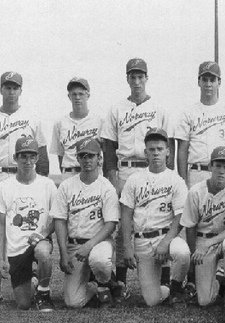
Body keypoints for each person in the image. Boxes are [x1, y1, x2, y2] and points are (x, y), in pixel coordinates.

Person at [0, 72, 49, 307]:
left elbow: (42, 153)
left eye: (15, 87)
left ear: (21, 90)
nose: (11, 91)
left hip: (23, 176)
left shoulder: (31, 118)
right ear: (1, 90)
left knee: (30, 226)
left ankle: (31, 273)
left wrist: (41, 182)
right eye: (7, 87)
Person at [100, 58, 172, 299]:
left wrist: (166, 177)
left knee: (158, 221)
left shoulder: (159, 109)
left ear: (147, 78)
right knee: (123, 226)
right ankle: (120, 282)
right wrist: (112, 178)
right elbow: (109, 146)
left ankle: (165, 280)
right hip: (126, 169)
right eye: (133, 76)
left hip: (152, 168)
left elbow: (166, 146)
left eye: (141, 76)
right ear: (128, 79)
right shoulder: (117, 108)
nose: (137, 81)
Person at [120, 128, 190, 307]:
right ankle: (164, 289)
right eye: (152, 149)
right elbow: (126, 215)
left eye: (160, 149)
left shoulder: (176, 179)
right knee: (152, 301)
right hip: (143, 240)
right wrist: (127, 247)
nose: (156, 153)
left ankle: (175, 288)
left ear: (168, 152)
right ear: (145, 153)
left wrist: (166, 242)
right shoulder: (135, 179)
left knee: (182, 253)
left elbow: (180, 216)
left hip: (167, 236)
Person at [51, 138, 120, 308]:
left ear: (99, 158)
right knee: (73, 302)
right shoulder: (66, 186)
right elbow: (59, 220)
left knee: (100, 261)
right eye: (82, 156)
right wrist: (63, 253)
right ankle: (96, 286)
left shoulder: (106, 187)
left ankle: (105, 284)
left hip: (99, 243)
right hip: (74, 246)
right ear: (77, 158)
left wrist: (89, 245)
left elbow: (110, 224)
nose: (87, 160)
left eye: (91, 156)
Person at [180, 146, 225, 307]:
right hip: (202, 240)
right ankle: (217, 280)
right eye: (218, 165)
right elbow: (190, 227)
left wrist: (209, 244)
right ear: (210, 166)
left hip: (223, 239)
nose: (221, 171)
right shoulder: (196, 191)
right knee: (204, 301)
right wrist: (193, 255)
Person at [0, 137, 56, 310]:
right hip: (16, 248)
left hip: (38, 241)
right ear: (15, 158)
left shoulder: (48, 185)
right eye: (23, 156)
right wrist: (0, 258)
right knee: (23, 304)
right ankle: (34, 278)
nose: (28, 161)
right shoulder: (4, 187)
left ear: (37, 158)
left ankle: (44, 293)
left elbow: (57, 218)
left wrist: (43, 235)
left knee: (43, 252)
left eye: (32, 156)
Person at [175, 61, 225, 188]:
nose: (208, 84)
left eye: (212, 80)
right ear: (199, 82)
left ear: (219, 82)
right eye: (205, 80)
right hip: (197, 173)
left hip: (224, 172)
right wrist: (183, 182)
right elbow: (182, 150)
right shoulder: (188, 112)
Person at [50, 77, 102, 181]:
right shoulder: (60, 123)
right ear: (69, 96)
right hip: (69, 173)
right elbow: (60, 154)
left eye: (81, 94)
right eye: (74, 94)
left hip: (93, 174)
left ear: (88, 95)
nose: (77, 97)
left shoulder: (99, 121)